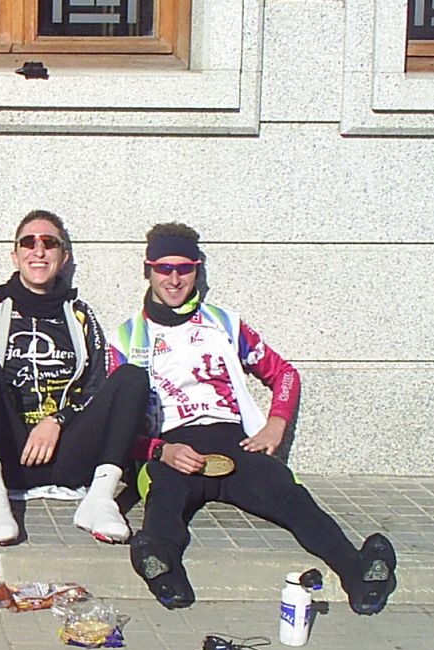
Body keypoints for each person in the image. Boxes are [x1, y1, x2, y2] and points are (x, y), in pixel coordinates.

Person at [110, 222, 396, 614]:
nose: (174, 279)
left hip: (234, 442)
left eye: (185, 268)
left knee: (289, 495)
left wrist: (276, 424)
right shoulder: (127, 337)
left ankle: (358, 572)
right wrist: (160, 451)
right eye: (164, 268)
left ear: (197, 270)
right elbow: (115, 425)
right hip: (173, 447)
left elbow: (285, 374)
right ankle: (161, 566)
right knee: (163, 496)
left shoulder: (224, 323)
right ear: (148, 270)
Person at [0, 210, 149, 545]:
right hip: (8, 455)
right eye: (29, 242)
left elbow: (97, 387)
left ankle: (100, 501)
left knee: (132, 378)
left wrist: (58, 420)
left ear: (64, 257)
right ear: (15, 255)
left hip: (68, 457)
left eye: (49, 243)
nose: (39, 250)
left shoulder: (80, 314)